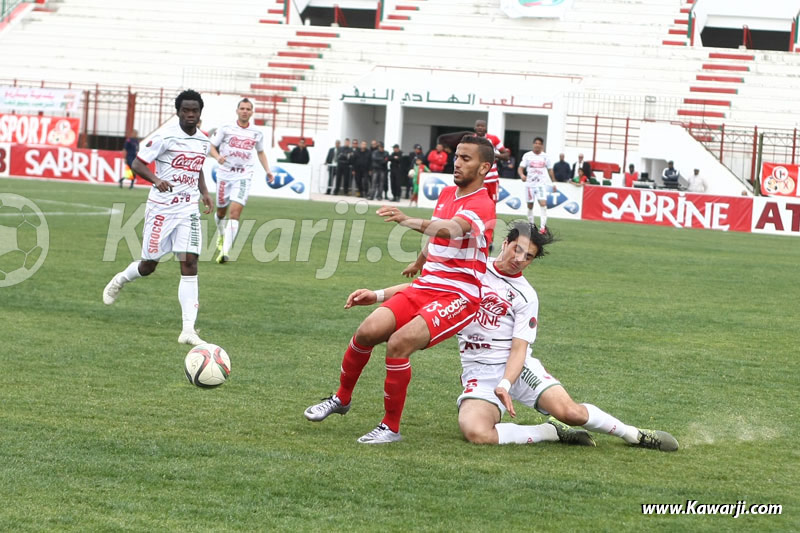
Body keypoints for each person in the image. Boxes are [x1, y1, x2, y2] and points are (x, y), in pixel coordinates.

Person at [346, 222, 679, 452]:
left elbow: (520, 348)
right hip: (479, 372)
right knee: (477, 434)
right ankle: (548, 432)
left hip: (516, 368)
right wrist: (376, 295)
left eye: (528, 256)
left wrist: (506, 383)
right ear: (504, 244)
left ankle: (636, 436)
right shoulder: (471, 270)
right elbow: (422, 289)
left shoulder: (526, 295)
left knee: (572, 412)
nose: (520, 259)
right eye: (517, 249)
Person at [303, 135, 497, 444]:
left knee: (399, 343)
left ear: (485, 167)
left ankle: (390, 428)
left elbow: (452, 228)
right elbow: (439, 235)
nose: (457, 163)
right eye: (457, 157)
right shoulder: (448, 192)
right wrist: (420, 261)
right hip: (426, 285)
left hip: (459, 296)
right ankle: (341, 398)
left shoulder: (482, 203)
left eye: (466, 159)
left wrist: (407, 220)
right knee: (367, 331)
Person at [102, 89, 214, 346]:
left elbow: (196, 168)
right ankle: (120, 279)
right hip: (161, 210)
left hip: (188, 210)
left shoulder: (203, 141)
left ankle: (188, 330)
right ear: (178, 112)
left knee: (190, 264)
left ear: (199, 113)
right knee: (149, 265)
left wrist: (205, 193)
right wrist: (156, 180)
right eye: (185, 110)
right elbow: (138, 163)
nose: (189, 114)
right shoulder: (165, 136)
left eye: (194, 110)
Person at [208, 98, 274, 264]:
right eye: (242, 108)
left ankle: (225, 251)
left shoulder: (257, 132)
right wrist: (218, 157)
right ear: (237, 111)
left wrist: (268, 170)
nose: (245, 111)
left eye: (248, 109)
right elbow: (211, 146)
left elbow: (260, 152)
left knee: (235, 213)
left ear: (252, 112)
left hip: (243, 175)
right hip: (224, 174)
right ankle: (222, 236)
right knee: (221, 212)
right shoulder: (225, 128)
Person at [518, 137, 556, 233]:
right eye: (536, 143)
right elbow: (520, 168)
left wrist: (554, 183)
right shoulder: (527, 155)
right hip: (530, 185)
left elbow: (550, 170)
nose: (537, 145)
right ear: (533, 144)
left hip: (541, 185)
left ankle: (543, 228)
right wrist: (522, 175)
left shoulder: (545, 157)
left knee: (543, 204)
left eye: (539, 143)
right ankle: (531, 226)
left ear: (542, 146)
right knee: (530, 206)